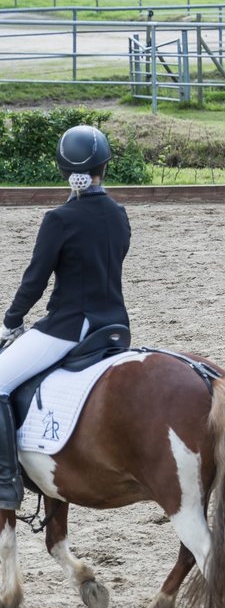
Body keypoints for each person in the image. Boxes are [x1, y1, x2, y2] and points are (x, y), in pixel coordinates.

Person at [0, 126, 130, 511]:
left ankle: (6, 482)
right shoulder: (119, 214)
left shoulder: (60, 218)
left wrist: (12, 321)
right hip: (115, 325)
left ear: (61, 169)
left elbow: (35, 280)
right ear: (104, 167)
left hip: (71, 327)